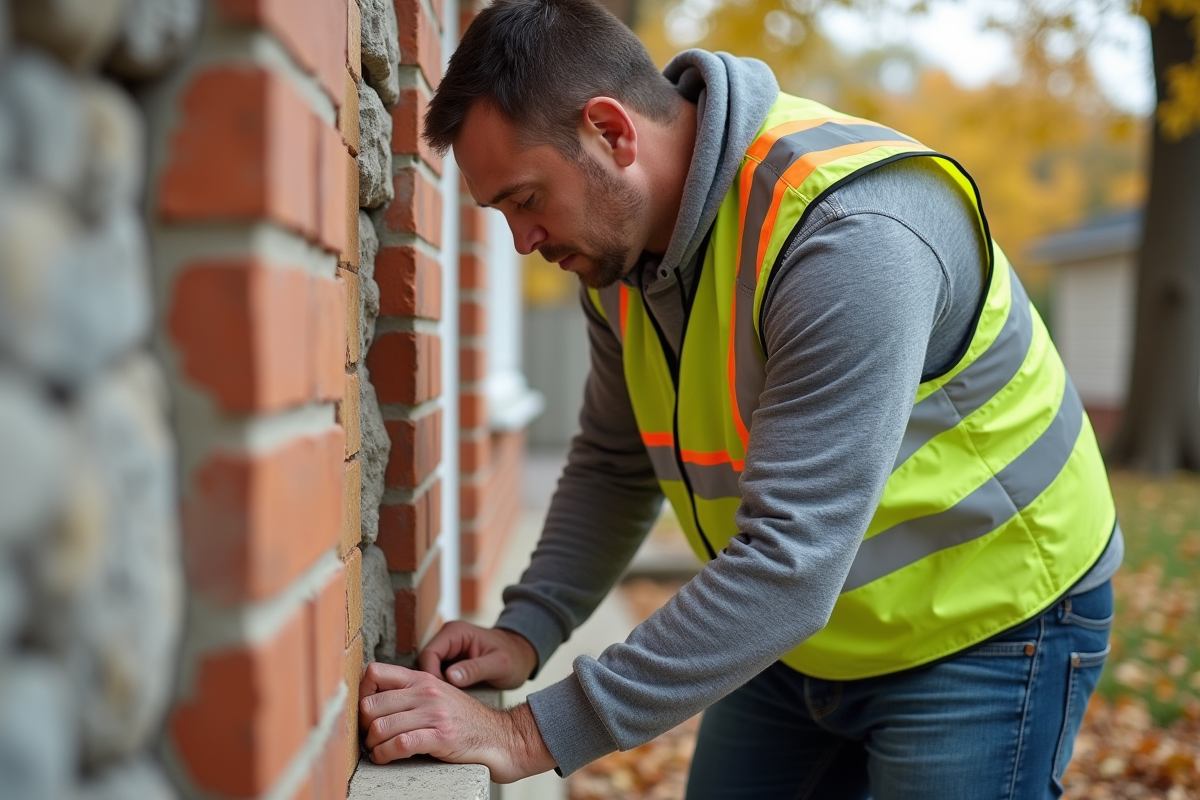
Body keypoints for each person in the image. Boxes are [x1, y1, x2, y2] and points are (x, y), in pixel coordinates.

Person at [357, 0, 1124, 796]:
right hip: (801, 629)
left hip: (989, 626)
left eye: (524, 200)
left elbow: (789, 566)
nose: (522, 242)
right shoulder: (618, 256)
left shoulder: (847, 237)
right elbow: (618, 464)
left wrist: (525, 731)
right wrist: (527, 628)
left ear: (612, 133)